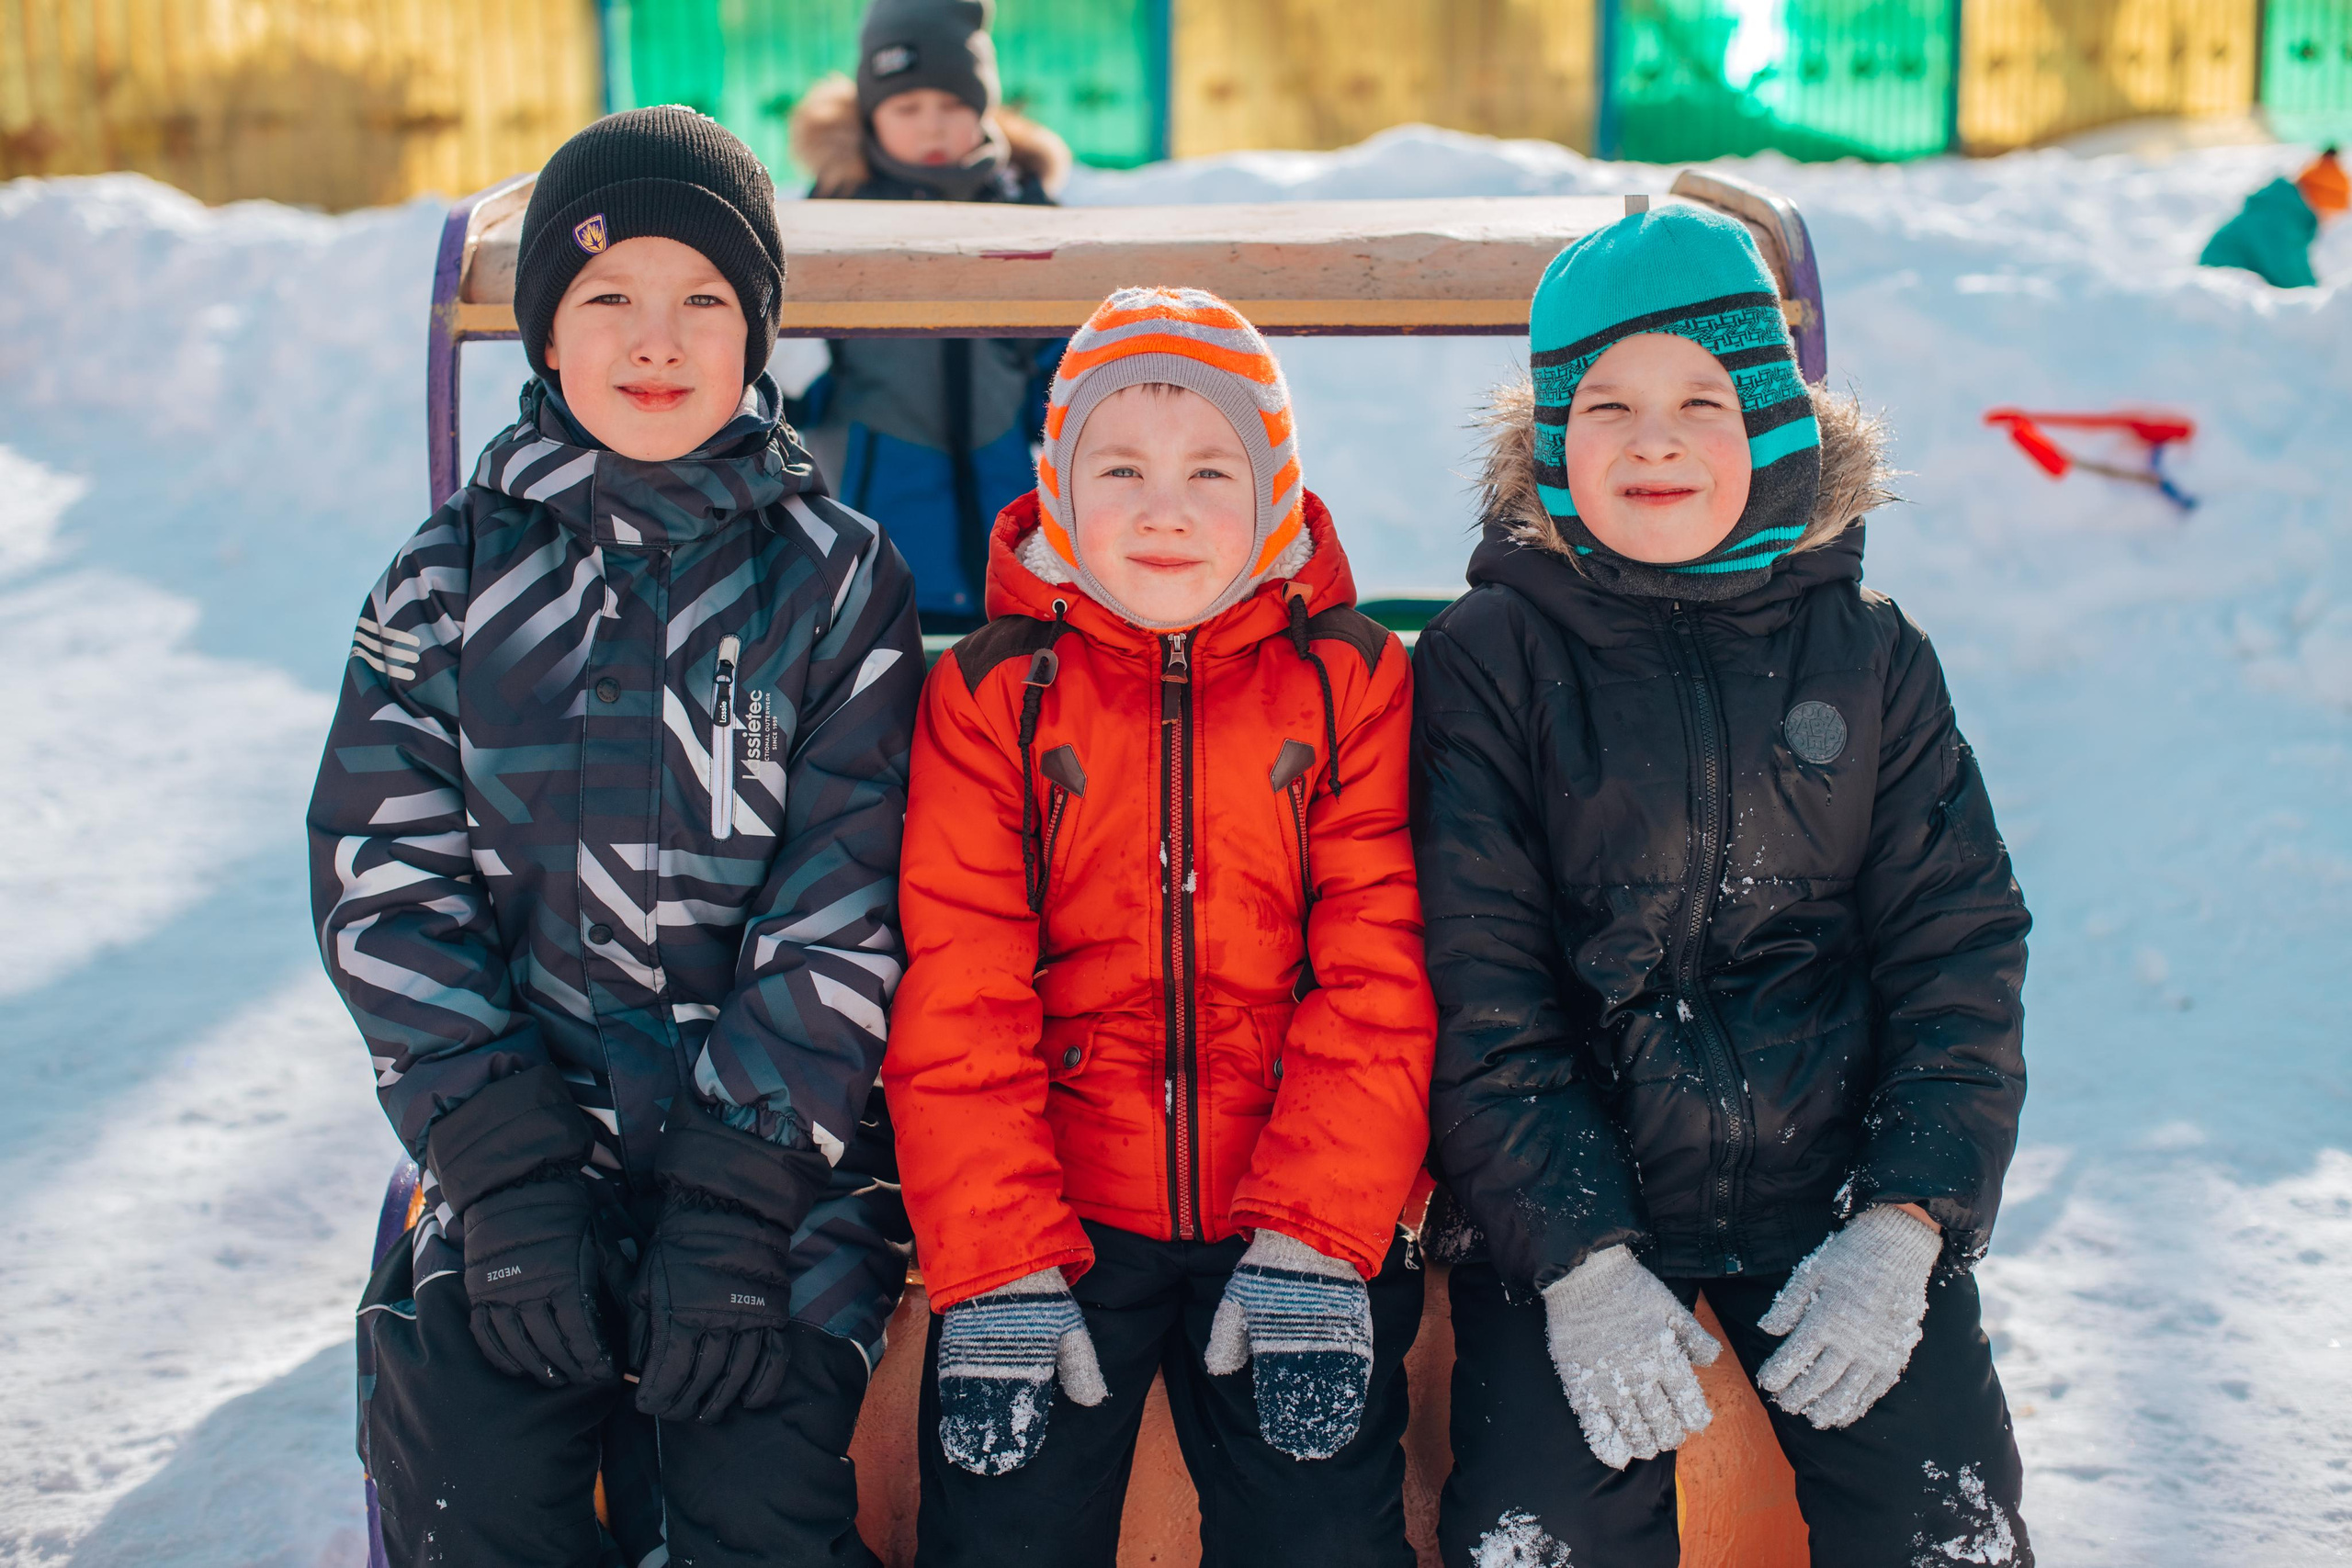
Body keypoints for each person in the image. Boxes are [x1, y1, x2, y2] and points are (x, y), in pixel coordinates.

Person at [308, 107, 923, 1568]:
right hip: (525, 1144)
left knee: (760, 1479)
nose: (657, 341)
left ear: (757, 332)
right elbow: (386, 880)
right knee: (470, 1465)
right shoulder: (448, 580)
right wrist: (506, 1169)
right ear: (546, 332)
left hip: (783, 1169)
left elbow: (847, 899)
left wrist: (738, 1197)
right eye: (608, 298)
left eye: (703, 299)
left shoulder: (835, 582)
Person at [1411, 205, 2034, 1568]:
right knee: (1538, 1536)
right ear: (1553, 443)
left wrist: (1904, 1220)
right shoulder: (1490, 659)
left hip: (1831, 1192)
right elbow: (1478, 980)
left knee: (1947, 1529)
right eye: (1609, 406)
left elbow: (1960, 949)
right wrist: (1575, 1258)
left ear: (1772, 421)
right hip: (1575, 1200)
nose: (1655, 441)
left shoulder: (1868, 655)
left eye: (1703, 400)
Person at [884, 288, 1439, 1567]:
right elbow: (960, 978)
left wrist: (1318, 1233)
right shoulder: (995, 692)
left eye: (1210, 471)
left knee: (1320, 1534)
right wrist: (1000, 1259)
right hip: (1062, 1210)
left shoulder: (1350, 680)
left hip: (1291, 1201)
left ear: (1278, 492)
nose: (1164, 510)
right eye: (1119, 469)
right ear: (1058, 492)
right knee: (1005, 1529)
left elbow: (1380, 963)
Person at [787, 0, 1073, 634]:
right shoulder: (837, 212)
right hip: (880, 494)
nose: (932, 128)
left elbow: (1065, 354)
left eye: (952, 105)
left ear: (983, 106)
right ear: (871, 113)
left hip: (1008, 494)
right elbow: (797, 355)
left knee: (1006, 650)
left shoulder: (1023, 207)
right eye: (907, 108)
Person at [2199, 146, 2346, 288]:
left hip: (2231, 284)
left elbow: (2296, 267)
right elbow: (2289, 275)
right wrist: (2321, 298)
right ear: (2321, 201)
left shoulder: (2285, 211)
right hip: (2219, 285)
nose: (2332, 219)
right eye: (2333, 211)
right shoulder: (2279, 218)